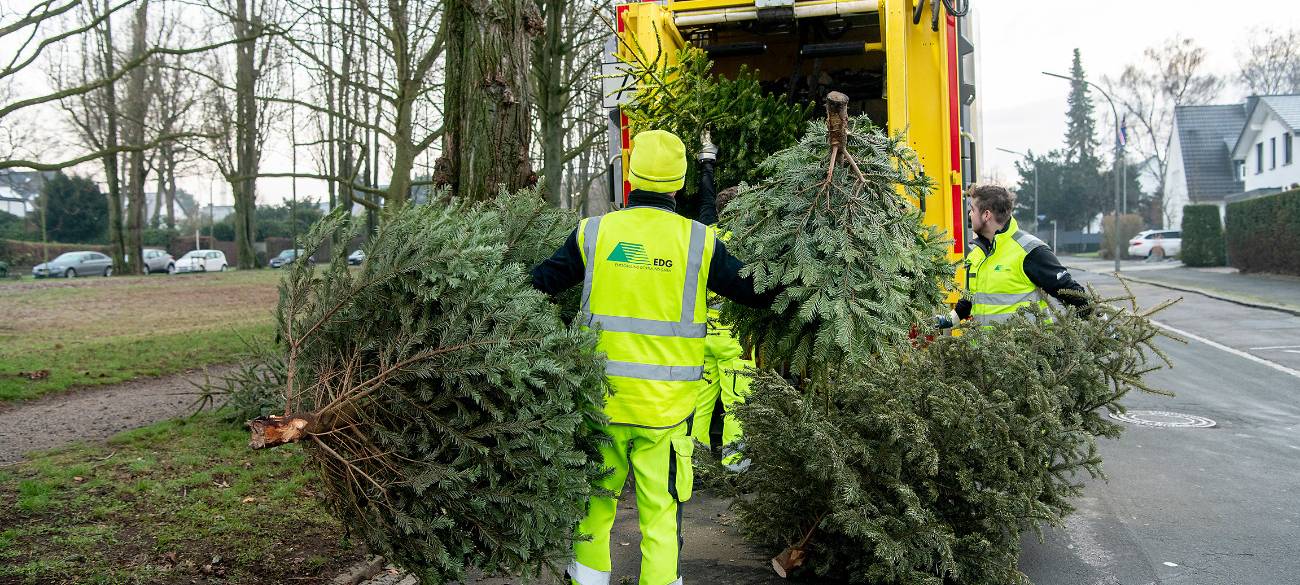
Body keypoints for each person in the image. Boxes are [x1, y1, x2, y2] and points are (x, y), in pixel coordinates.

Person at [531, 129, 772, 585]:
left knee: (593, 512)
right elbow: (756, 290)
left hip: (599, 406)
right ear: (679, 185)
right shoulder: (699, 242)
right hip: (664, 413)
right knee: (660, 516)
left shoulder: (595, 233)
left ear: (630, 179)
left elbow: (536, 284)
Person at [941, 184, 1087, 328]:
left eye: (972, 210)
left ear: (986, 215)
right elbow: (970, 300)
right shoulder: (977, 254)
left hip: (1026, 350)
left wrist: (1100, 323)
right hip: (983, 350)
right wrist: (948, 319)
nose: (970, 214)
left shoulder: (1030, 250)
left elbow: (1071, 292)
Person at [691, 133, 753, 471]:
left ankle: (695, 466)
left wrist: (707, 162)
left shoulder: (706, 236)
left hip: (701, 338)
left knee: (699, 404)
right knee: (737, 403)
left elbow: (705, 200)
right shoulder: (745, 244)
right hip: (734, 344)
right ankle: (735, 464)